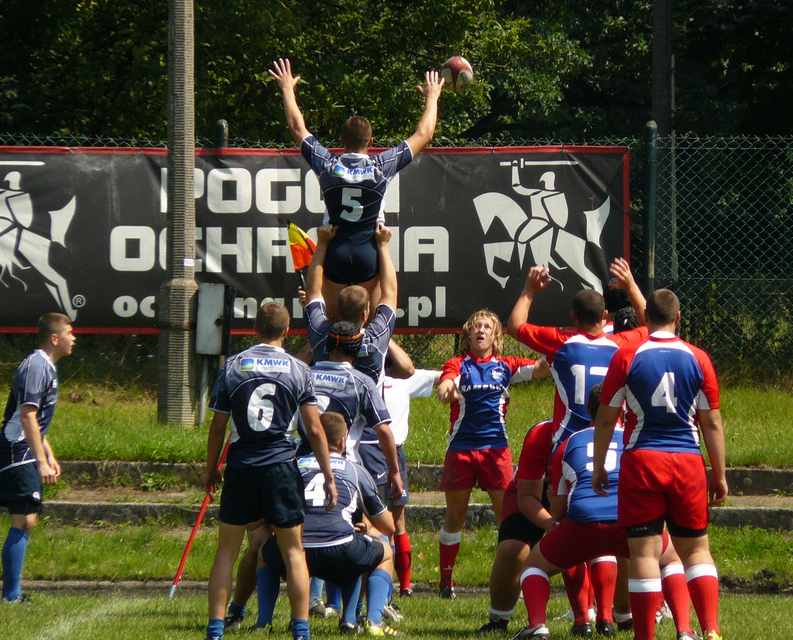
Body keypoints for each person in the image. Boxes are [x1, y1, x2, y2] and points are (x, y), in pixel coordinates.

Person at [592, 289, 727, 640]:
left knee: (644, 552)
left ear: (646, 318)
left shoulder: (626, 356)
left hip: (642, 461)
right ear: (678, 318)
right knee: (696, 549)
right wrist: (719, 474)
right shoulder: (699, 358)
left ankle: (645, 636)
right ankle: (711, 630)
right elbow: (712, 423)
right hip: (688, 462)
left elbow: (605, 419)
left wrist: (599, 466)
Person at [269, 58, 444, 321]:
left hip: (335, 249)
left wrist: (286, 88)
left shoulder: (328, 165)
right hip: (368, 252)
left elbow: (297, 128)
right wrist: (432, 97)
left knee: (332, 325)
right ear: (371, 142)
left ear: (341, 140)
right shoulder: (380, 167)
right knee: (370, 324)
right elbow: (425, 134)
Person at [513, 385, 693, 640]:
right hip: (630, 521)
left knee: (534, 565)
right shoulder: (637, 438)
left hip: (584, 520)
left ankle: (537, 624)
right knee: (671, 560)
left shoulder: (569, 443)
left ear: (588, 409)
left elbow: (560, 509)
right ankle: (684, 629)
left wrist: (554, 512)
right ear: (624, 409)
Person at [204, 302, 338, 640]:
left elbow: (217, 427)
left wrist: (211, 469)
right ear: (287, 331)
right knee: (294, 550)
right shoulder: (298, 369)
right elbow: (315, 429)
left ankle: (216, 628)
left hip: (241, 464)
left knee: (226, 551)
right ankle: (300, 628)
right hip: (280, 464)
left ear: (254, 330)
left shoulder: (233, 366)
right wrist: (328, 475)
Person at [255, 412, 401, 637]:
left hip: (296, 552)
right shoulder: (355, 470)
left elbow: (274, 511)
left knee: (263, 554)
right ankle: (369, 621)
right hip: (341, 553)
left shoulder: (293, 465)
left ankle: (263, 623)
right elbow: (389, 527)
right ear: (343, 441)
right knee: (381, 551)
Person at [436, 309, 549, 598]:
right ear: (468, 334)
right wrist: (446, 391)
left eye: (487, 327)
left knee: (508, 519)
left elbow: (542, 369)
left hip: (496, 451)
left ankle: (514, 580)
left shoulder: (507, 365)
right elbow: (446, 384)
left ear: (496, 335)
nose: (481, 331)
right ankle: (446, 582)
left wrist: (553, 349)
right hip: (461, 449)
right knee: (455, 517)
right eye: (476, 326)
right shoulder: (458, 364)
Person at [0, 313, 75, 602]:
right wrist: (40, 461)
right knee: (22, 520)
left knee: (26, 520)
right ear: (55, 338)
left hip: (25, 449)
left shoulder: (47, 367)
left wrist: (48, 454)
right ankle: (11, 596)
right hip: (17, 450)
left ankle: (12, 594)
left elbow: (37, 422)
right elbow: (27, 416)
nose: (74, 338)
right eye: (69, 333)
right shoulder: (36, 366)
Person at [507, 265, 618, 446]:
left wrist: (529, 291)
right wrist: (631, 288)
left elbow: (515, 326)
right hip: (612, 440)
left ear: (573, 316)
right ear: (604, 315)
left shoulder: (560, 344)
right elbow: (652, 328)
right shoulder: (620, 344)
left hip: (568, 441)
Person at [475, 418, 556, 634]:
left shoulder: (616, 432)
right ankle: (499, 618)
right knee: (513, 548)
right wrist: (550, 523)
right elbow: (527, 495)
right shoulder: (542, 433)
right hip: (535, 492)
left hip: (586, 494)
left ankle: (612, 615)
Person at [381, 341, 441, 598]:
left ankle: (403, 585)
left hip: (390, 452)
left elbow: (441, 376)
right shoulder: (365, 376)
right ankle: (385, 587)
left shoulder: (403, 379)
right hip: (372, 450)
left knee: (394, 522)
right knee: (377, 522)